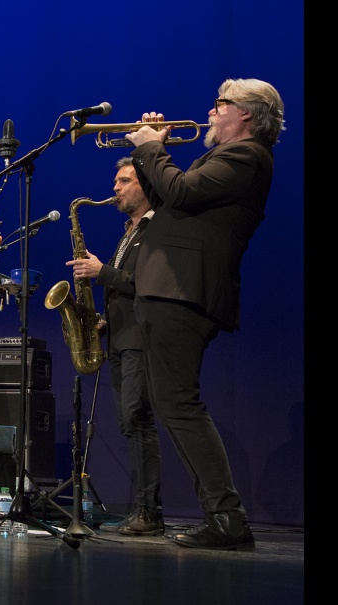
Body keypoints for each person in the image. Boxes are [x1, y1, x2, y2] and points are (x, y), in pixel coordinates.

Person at [122, 78, 285, 550]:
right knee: (172, 404)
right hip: (169, 290)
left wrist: (153, 147)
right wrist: (149, 151)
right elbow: (168, 195)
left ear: (248, 115)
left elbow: (183, 193)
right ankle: (222, 516)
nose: (211, 112)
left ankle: (227, 518)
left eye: (220, 104)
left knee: (179, 403)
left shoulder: (246, 156)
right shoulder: (224, 158)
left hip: (184, 291)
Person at [67, 157, 163, 535]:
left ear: (144, 185)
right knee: (129, 423)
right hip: (122, 340)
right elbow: (126, 288)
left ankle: (148, 512)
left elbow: (149, 284)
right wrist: (101, 321)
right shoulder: (129, 231)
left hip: (141, 340)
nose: (115, 188)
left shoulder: (157, 228)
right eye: (116, 181)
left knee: (139, 422)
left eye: (123, 181)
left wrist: (100, 272)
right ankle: (144, 510)